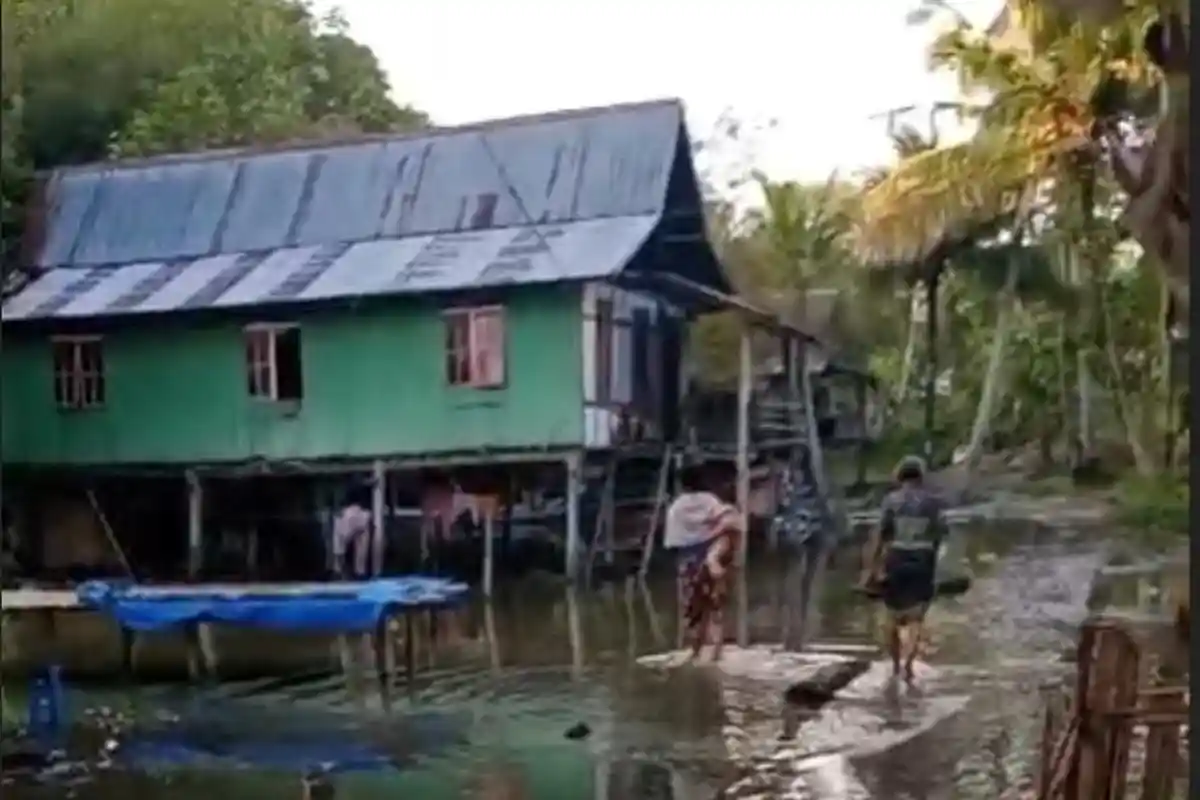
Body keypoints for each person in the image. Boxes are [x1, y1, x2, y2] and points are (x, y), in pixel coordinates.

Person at [859, 455, 947, 684]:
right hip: (923, 558)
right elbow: (940, 536)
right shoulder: (934, 502)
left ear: (900, 476)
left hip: (896, 557)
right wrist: (934, 564)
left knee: (891, 616)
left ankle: (896, 666)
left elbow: (880, 536)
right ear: (921, 476)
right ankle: (909, 666)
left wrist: (870, 568)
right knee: (917, 618)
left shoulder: (891, 501)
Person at [664, 462, 743, 663]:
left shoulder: (677, 507)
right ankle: (716, 651)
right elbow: (728, 518)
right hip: (712, 550)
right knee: (715, 604)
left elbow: (674, 541)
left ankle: (696, 650)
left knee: (694, 609)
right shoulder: (710, 500)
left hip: (690, 560)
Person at [332, 484, 372, 580]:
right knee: (359, 545)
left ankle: (339, 570)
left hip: (351, 513)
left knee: (340, 546)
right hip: (360, 513)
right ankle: (358, 572)